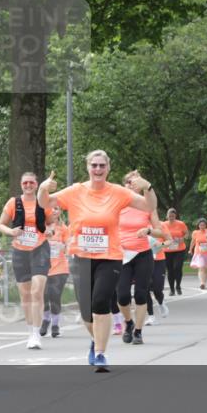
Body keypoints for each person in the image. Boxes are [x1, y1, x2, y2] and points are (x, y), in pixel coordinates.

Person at [38, 150, 157, 372]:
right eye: (94, 165)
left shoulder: (119, 192)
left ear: (108, 168)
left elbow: (149, 206)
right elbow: (45, 202)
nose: (98, 169)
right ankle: (96, 339)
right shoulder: (76, 191)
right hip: (81, 257)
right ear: (88, 167)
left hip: (109, 257)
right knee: (86, 310)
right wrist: (43, 188)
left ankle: (101, 353)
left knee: (100, 302)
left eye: (102, 165)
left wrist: (147, 187)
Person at [0, 172, 51, 350]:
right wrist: (11, 231)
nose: (28, 185)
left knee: (37, 291)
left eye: (31, 183)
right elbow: (0, 224)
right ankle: (30, 331)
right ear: (21, 185)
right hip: (20, 251)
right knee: (25, 294)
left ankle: (36, 333)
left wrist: (50, 230)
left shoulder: (43, 201)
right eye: (25, 183)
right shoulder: (14, 203)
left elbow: (52, 222)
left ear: (36, 184)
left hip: (39, 249)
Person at [116, 170, 167, 346]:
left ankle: (138, 331)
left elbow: (161, 232)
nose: (132, 185)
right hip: (123, 255)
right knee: (122, 295)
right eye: (129, 182)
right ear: (124, 185)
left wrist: (148, 231)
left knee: (140, 293)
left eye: (136, 182)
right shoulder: (118, 205)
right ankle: (128, 322)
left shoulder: (146, 205)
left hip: (143, 254)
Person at [42, 204, 70, 338]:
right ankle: (46, 319)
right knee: (44, 295)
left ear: (60, 212)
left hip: (60, 268)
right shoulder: (41, 226)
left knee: (54, 296)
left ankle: (55, 324)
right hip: (42, 268)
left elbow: (69, 247)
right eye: (51, 208)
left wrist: (62, 246)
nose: (53, 210)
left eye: (56, 208)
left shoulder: (63, 228)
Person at [162, 208, 189, 296]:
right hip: (167, 250)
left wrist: (183, 238)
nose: (171, 218)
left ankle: (178, 286)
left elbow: (187, 234)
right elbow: (160, 235)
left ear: (175, 216)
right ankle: (172, 289)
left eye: (173, 216)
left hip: (179, 249)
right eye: (170, 216)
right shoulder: (163, 224)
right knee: (170, 270)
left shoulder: (181, 224)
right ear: (167, 216)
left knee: (177, 268)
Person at [188, 218, 207, 290]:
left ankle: (205, 283)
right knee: (201, 267)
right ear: (198, 225)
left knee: (205, 269)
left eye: (203, 225)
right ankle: (202, 283)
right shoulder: (195, 232)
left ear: (206, 225)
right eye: (200, 225)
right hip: (199, 252)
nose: (202, 226)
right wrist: (190, 249)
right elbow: (193, 241)